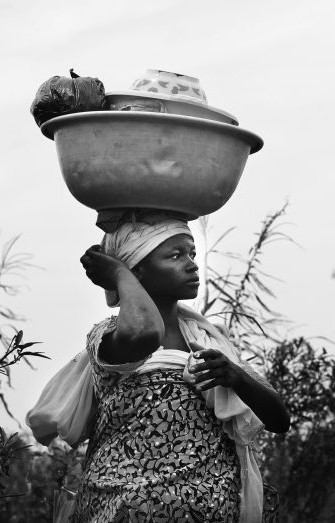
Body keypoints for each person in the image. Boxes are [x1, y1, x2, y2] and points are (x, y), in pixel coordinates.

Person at [27, 212, 289, 523]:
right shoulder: (108, 338)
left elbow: (279, 418)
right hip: (123, 511)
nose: (192, 264)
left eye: (192, 253)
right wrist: (119, 274)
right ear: (137, 270)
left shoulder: (208, 340)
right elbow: (145, 334)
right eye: (175, 255)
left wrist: (237, 377)